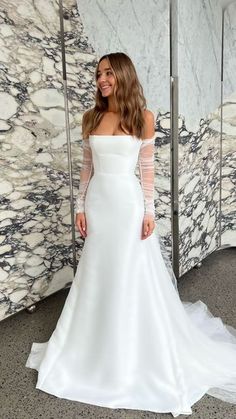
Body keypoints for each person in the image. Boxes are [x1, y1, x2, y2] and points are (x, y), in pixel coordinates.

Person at [26, 52, 236, 417]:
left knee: (127, 271)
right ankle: (90, 342)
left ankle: (130, 345)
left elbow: (147, 169)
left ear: (123, 75)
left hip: (127, 205)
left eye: (108, 73)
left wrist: (149, 212)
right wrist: (79, 206)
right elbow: (88, 167)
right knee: (97, 272)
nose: (102, 80)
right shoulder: (92, 116)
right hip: (98, 204)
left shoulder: (143, 118)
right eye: (98, 74)